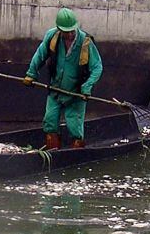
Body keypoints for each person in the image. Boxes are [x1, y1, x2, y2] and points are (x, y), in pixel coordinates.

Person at [22, 8, 103, 149]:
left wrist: (87, 86)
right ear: (59, 29)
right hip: (55, 90)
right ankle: (53, 152)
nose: (70, 34)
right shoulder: (52, 36)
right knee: (50, 121)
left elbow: (97, 67)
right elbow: (40, 55)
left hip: (76, 93)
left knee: (75, 126)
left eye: (72, 30)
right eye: (66, 32)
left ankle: (76, 153)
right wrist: (31, 73)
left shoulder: (85, 42)